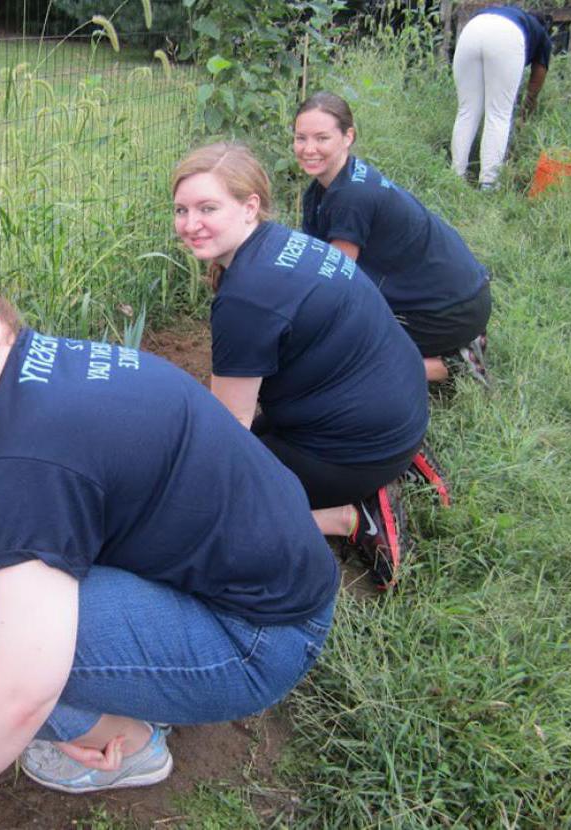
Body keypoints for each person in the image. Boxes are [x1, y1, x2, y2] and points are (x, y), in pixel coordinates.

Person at [0, 256, 339, 830]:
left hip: (259, 639)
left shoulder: (28, 455)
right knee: (22, 599)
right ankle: (144, 688)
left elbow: (20, 688)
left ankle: (131, 746)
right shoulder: (48, 366)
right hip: (283, 580)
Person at [172, 142, 429, 586]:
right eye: (181, 210)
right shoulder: (283, 242)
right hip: (397, 413)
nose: (190, 225)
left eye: (207, 208)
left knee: (200, 511)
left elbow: (230, 429)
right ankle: (366, 476)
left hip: (361, 449)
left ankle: (348, 517)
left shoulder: (247, 298)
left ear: (249, 206)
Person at [294, 92, 492, 387]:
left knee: (341, 360)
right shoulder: (326, 186)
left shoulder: (351, 197)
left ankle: (452, 366)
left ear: (348, 137)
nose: (309, 149)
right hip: (457, 295)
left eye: (322, 138)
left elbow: (334, 280)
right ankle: (453, 343)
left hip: (448, 310)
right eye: (301, 138)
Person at [451, 6, 552, 190]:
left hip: (472, 29)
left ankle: (455, 177)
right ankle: (488, 183)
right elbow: (539, 74)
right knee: (498, 114)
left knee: (466, 111)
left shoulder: (512, 13)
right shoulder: (541, 34)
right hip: (507, 36)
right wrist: (528, 106)